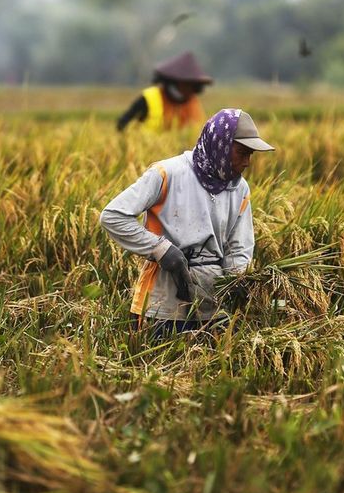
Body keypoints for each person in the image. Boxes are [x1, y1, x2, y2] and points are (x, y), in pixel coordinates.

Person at [100, 108, 274, 336]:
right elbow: (113, 216)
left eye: (250, 154)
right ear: (220, 145)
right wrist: (162, 250)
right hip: (161, 305)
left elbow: (239, 249)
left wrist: (237, 286)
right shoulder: (168, 173)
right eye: (242, 152)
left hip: (213, 309)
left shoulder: (238, 188)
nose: (247, 162)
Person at [116, 52, 212, 133]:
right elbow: (122, 125)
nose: (191, 90)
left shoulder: (193, 102)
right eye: (188, 84)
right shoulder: (150, 98)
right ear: (177, 81)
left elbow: (200, 131)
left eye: (194, 85)